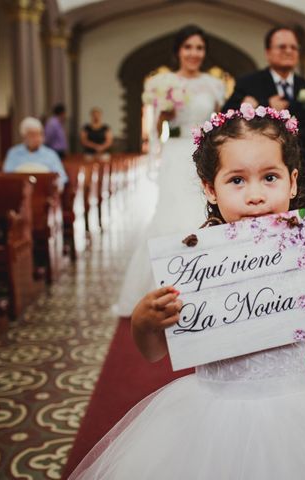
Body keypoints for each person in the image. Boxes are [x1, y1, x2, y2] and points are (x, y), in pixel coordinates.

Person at [69, 104, 305, 480]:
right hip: (212, 410)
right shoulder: (194, 262)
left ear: (293, 182)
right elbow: (152, 351)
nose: (255, 196)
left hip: (298, 410)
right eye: (236, 180)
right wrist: (144, 320)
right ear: (209, 188)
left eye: (269, 178)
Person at [112, 25, 225, 318]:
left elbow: (218, 126)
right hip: (175, 153)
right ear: (178, 51)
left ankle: (205, 286)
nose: (194, 53)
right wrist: (164, 116)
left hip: (202, 153)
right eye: (188, 47)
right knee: (169, 217)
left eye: (199, 48)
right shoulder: (163, 82)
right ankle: (164, 288)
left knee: (203, 215)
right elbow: (155, 125)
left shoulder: (214, 86)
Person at [223, 26, 305, 206]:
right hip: (261, 178)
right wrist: (265, 104)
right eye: (282, 47)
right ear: (268, 52)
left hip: (301, 178)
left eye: (293, 47)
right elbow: (226, 120)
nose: (289, 51)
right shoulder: (248, 84)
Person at [3, 117, 68, 189]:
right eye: (32, 135)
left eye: (39, 134)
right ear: (24, 136)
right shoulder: (13, 153)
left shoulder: (51, 154)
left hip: (44, 193)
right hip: (19, 192)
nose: (37, 138)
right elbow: (7, 176)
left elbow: (62, 177)